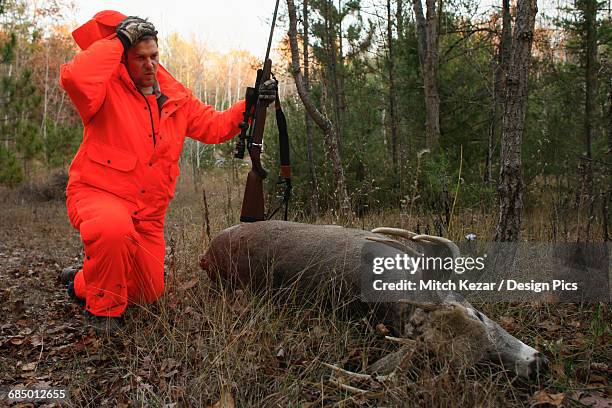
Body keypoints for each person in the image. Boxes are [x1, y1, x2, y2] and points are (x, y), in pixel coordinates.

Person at [59, 10, 276, 333]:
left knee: (148, 292)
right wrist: (120, 39)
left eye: (154, 56)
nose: (149, 64)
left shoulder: (177, 100)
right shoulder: (103, 92)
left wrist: (252, 103)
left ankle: (81, 280)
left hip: (148, 214)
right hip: (98, 194)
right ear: (123, 58)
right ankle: (103, 313)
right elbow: (75, 77)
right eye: (139, 57)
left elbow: (215, 127)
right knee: (113, 230)